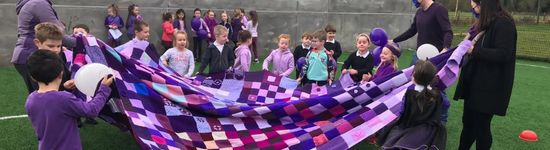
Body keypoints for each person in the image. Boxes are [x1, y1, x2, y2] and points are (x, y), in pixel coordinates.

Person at [454, 0, 517, 149]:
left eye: (475, 7)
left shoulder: (504, 23)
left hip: (489, 88)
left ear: (484, 5)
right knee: (468, 123)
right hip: (474, 85)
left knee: (481, 127)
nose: (474, 10)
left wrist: (473, 50)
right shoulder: (484, 23)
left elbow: (504, 54)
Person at [25, 50, 114, 150]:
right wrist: (103, 89)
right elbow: (91, 110)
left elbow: (56, 106)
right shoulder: (64, 98)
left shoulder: (30, 99)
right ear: (61, 74)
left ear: (32, 77)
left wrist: (66, 89)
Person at [378, 60, 446, 150]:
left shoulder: (409, 94)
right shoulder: (438, 95)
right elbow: (444, 108)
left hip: (409, 128)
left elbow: (402, 112)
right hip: (430, 133)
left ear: (415, 77)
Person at [14, 0, 75, 94]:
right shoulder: (39, 3)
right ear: (37, 42)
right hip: (37, 57)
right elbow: (58, 33)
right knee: (49, 97)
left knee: (42, 97)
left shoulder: (32, 3)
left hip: (26, 54)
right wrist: (82, 42)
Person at [391, 0, 453, 65]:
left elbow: (448, 31)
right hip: (419, 54)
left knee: (432, 75)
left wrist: (445, 49)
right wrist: (394, 40)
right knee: (411, 74)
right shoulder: (419, 12)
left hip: (435, 56)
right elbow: (412, 31)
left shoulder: (439, 9)